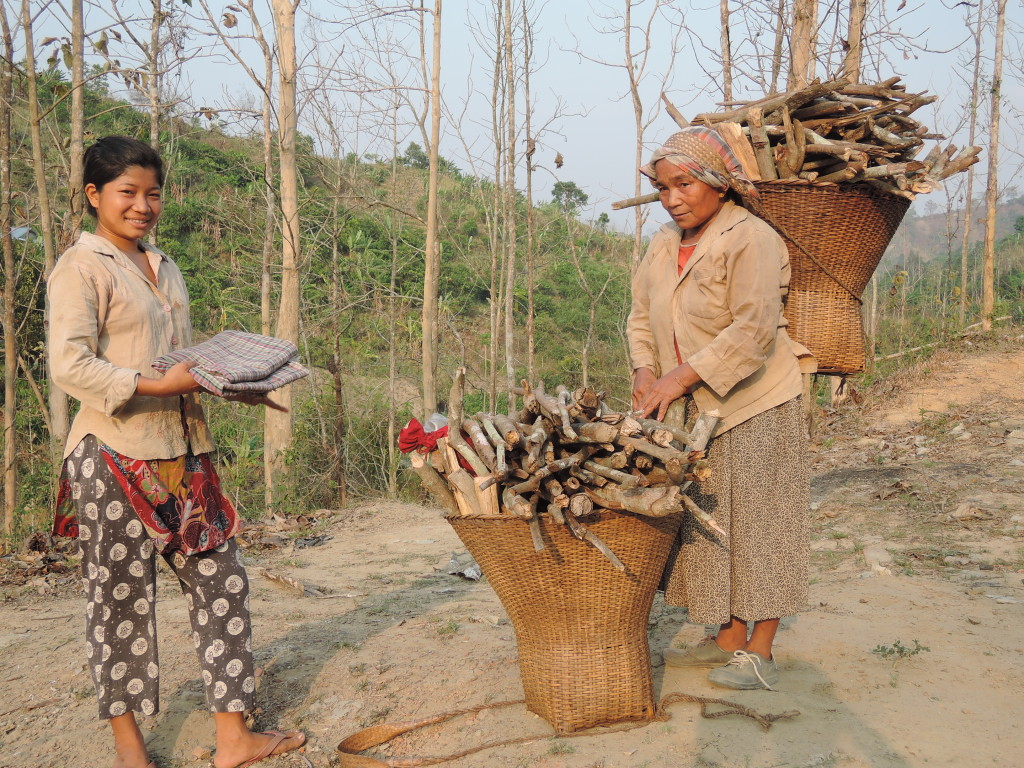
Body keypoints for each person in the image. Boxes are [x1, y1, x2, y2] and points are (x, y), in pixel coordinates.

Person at [48, 136, 306, 768]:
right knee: (119, 602)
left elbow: (180, 361)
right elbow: (68, 363)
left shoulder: (164, 266)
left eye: (153, 193)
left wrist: (235, 387)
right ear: (94, 196)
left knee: (223, 583)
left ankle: (233, 738)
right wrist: (157, 386)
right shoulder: (81, 268)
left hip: (185, 454)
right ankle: (130, 751)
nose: (143, 206)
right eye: (128, 192)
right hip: (112, 454)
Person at [628, 127, 810, 691]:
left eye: (683, 184)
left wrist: (678, 378)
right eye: (663, 187)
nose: (672, 198)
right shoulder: (662, 242)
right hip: (693, 408)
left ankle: (761, 648)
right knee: (710, 521)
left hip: (758, 400)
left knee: (763, 522)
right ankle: (728, 633)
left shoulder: (750, 237)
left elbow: (753, 330)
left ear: (715, 182)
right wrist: (645, 373)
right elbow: (639, 317)